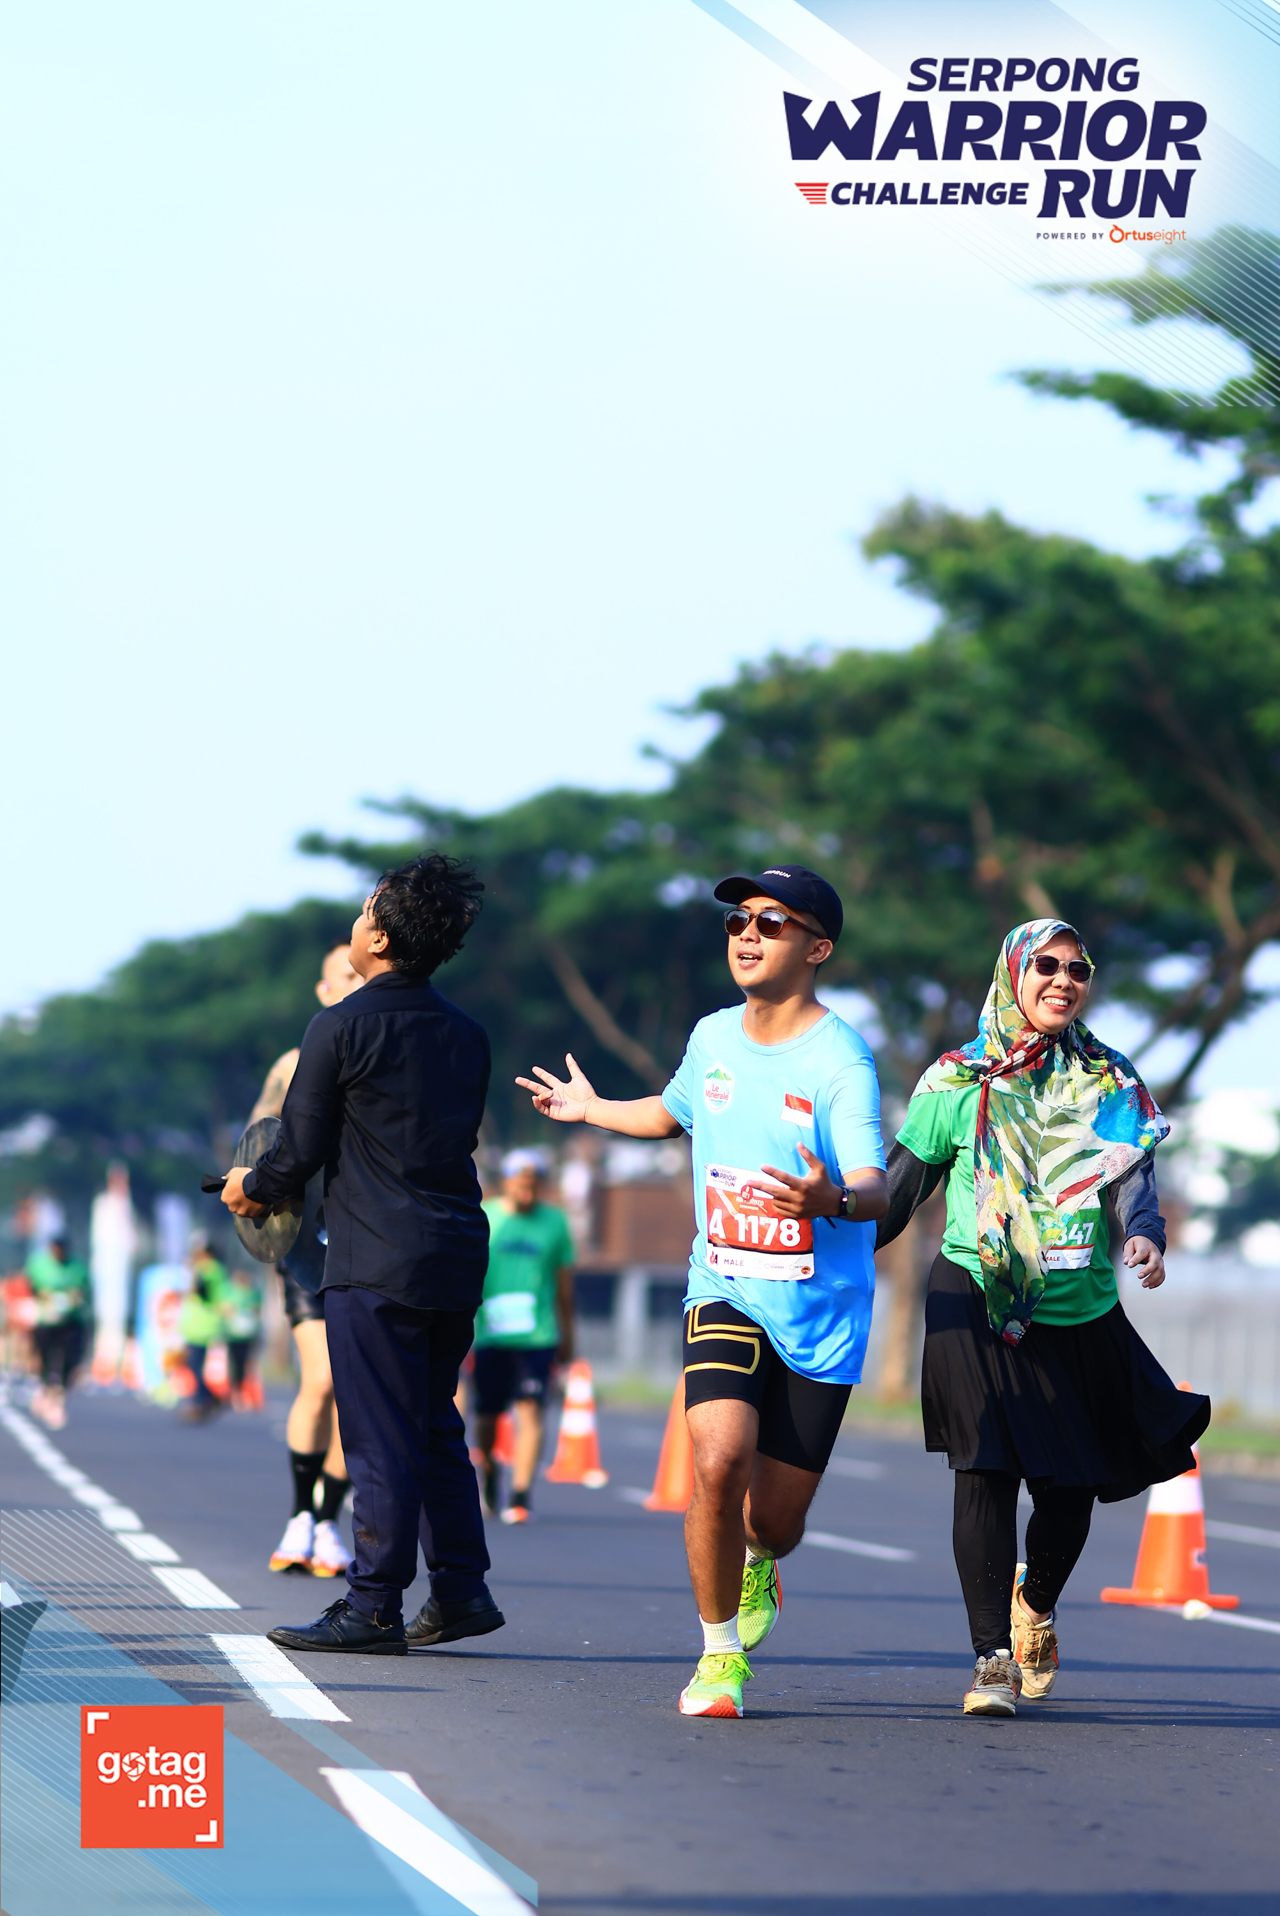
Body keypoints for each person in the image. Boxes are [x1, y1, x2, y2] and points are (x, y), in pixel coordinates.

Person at [518, 865, 888, 1719]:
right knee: (717, 1462)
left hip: (821, 1311)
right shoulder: (713, 1036)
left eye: (772, 921)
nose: (748, 934)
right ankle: (720, 1657)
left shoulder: (841, 1058)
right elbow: (670, 1112)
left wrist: (829, 1198)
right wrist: (592, 1108)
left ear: (817, 948)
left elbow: (874, 1183)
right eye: (737, 921)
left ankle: (760, 1566)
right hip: (723, 1284)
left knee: (777, 1523)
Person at [876, 918, 1210, 1718]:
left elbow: (1132, 1182)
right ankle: (990, 1656)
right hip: (975, 1292)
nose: (1064, 980)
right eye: (1048, 966)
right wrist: (826, 1248)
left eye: (1078, 969)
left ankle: (1036, 1603)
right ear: (1013, 975)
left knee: (1074, 1486)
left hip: (1077, 1306)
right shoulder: (957, 1080)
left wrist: (1144, 1235)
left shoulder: (1108, 1078)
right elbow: (899, 1191)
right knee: (985, 1469)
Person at [222, 854, 505, 1656]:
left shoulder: (338, 1026)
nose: (354, 923)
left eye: (362, 912)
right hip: (455, 1249)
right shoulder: (467, 1033)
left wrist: (249, 1187)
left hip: (375, 1257)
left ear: (377, 938)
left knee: (379, 1434)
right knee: (433, 1422)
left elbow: (296, 1153)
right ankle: (461, 1589)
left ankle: (374, 1605)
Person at [252, 943, 362, 1579]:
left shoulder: (384, 1058)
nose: (354, 985)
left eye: (361, 975)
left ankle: (325, 1520)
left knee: (354, 1393)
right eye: (343, 977)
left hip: (366, 1243)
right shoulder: (293, 1065)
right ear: (322, 991)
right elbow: (257, 1144)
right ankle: (300, 1514)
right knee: (321, 1381)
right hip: (302, 1248)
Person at [472, 1147, 575, 1523]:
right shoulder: (486, 1217)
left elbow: (564, 1285)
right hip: (491, 1334)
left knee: (531, 1408)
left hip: (537, 1335)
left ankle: (520, 1493)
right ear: (505, 1183)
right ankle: (489, 1470)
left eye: (534, 1186)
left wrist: (568, 1334)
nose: (527, 1194)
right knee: (488, 1416)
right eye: (520, 1185)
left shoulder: (555, 1222)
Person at [27, 1237, 89, 1429]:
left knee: (70, 1358)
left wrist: (72, 1298)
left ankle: (57, 1395)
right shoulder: (39, 1264)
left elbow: (83, 1291)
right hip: (46, 1320)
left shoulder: (76, 1267)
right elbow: (32, 1287)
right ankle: (45, 1390)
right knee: (44, 1357)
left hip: (70, 1320)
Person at [177, 1237, 228, 1423]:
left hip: (201, 1326)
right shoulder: (212, 1268)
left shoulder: (209, 1268)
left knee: (194, 1365)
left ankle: (204, 1400)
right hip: (196, 1325)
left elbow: (198, 1288)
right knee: (194, 1365)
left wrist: (191, 1269)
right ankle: (204, 1399)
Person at [221, 1267, 263, 1408]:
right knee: (234, 1364)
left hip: (248, 1335)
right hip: (233, 1335)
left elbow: (257, 1309)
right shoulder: (229, 1291)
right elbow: (225, 1309)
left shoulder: (253, 1292)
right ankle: (235, 1392)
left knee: (246, 1364)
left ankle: (244, 1393)